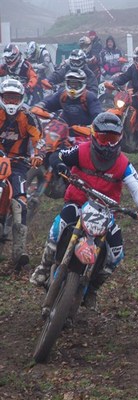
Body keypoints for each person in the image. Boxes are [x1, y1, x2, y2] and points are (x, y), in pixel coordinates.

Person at [30, 112, 138, 309]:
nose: (108, 144)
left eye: (113, 139)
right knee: (59, 226)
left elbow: (136, 186)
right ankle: (44, 267)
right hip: (78, 202)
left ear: (120, 138)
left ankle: (93, 288)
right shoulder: (82, 151)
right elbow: (57, 155)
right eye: (104, 138)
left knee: (117, 253)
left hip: (105, 211)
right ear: (94, 136)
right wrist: (60, 165)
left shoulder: (123, 163)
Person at [0, 78, 42, 270]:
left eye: (14, 98)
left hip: (18, 164)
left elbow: (39, 139)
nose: (11, 102)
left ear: (21, 99)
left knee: (20, 202)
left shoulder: (28, 117)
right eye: (8, 98)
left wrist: (38, 155)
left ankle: (19, 251)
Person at [36, 69, 103, 127]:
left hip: (85, 134)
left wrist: (90, 128)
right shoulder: (63, 94)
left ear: (83, 84)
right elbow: (49, 103)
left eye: (76, 84)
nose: (73, 87)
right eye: (71, 84)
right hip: (63, 132)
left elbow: (97, 116)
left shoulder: (89, 97)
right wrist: (40, 106)